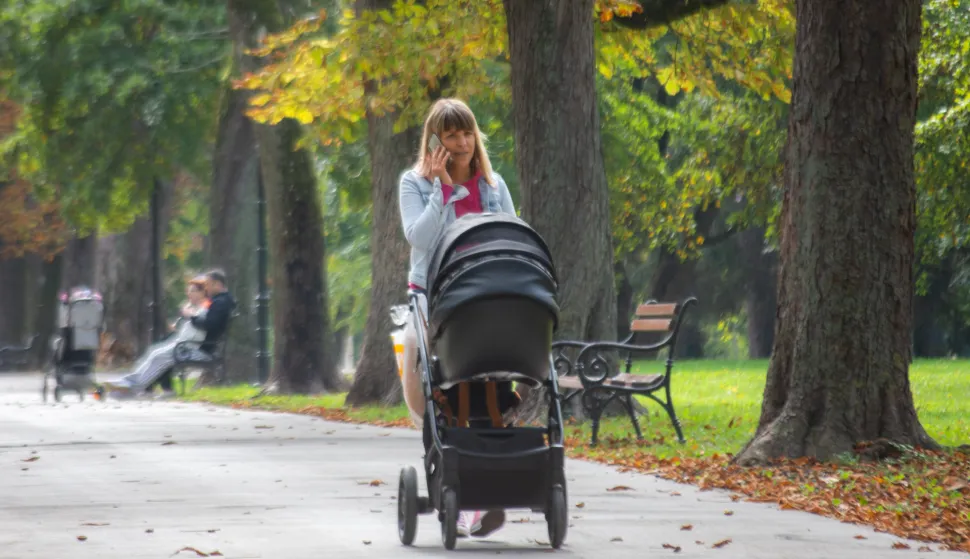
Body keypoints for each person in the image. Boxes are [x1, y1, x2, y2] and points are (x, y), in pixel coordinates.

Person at [398, 98, 515, 539]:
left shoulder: (492, 183)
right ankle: (454, 481)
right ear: (435, 141)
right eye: (450, 135)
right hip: (432, 295)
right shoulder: (415, 183)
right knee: (432, 377)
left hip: (482, 294)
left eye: (466, 133)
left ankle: (490, 485)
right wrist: (444, 191)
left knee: (492, 374)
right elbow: (420, 237)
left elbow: (508, 232)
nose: (462, 142)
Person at [103, 276, 211, 398]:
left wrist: (188, 314)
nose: (189, 294)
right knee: (154, 352)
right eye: (188, 290)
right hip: (182, 344)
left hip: (190, 348)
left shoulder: (205, 308)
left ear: (202, 292)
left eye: (192, 291)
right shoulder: (194, 308)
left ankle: (135, 386)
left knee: (159, 356)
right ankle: (130, 381)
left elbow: (200, 327)